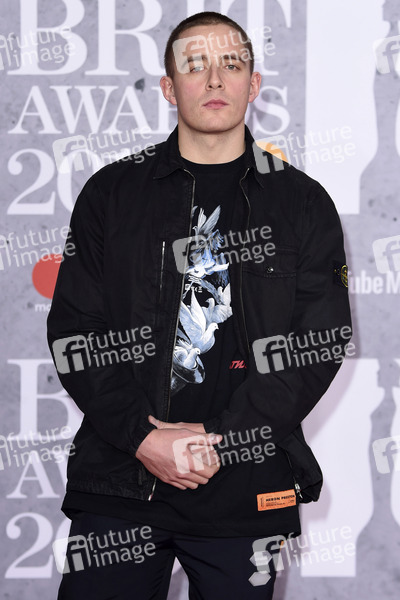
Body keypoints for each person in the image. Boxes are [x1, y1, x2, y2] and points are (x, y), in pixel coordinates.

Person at [48, 11, 352, 600]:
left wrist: (222, 437)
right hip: (122, 480)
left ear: (253, 84)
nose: (214, 79)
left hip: (244, 484)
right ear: (169, 87)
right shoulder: (112, 193)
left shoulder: (303, 202)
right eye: (195, 66)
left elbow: (316, 345)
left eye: (230, 64)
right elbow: (77, 332)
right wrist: (143, 438)